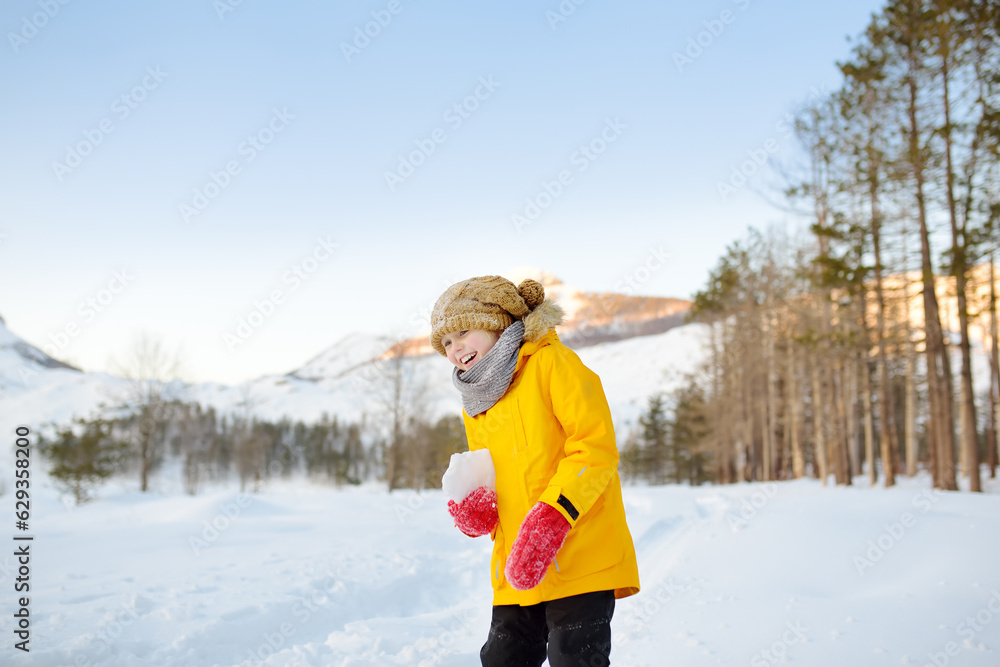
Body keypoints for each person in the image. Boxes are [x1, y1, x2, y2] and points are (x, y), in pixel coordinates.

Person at [429, 275, 640, 667]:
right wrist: (482, 508)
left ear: (497, 322)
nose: (454, 348)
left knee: (572, 658)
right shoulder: (477, 399)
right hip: (518, 563)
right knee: (502, 658)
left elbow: (594, 450)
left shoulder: (552, 364)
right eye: (445, 342)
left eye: (463, 331)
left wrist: (554, 515)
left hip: (580, 553)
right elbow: (491, 470)